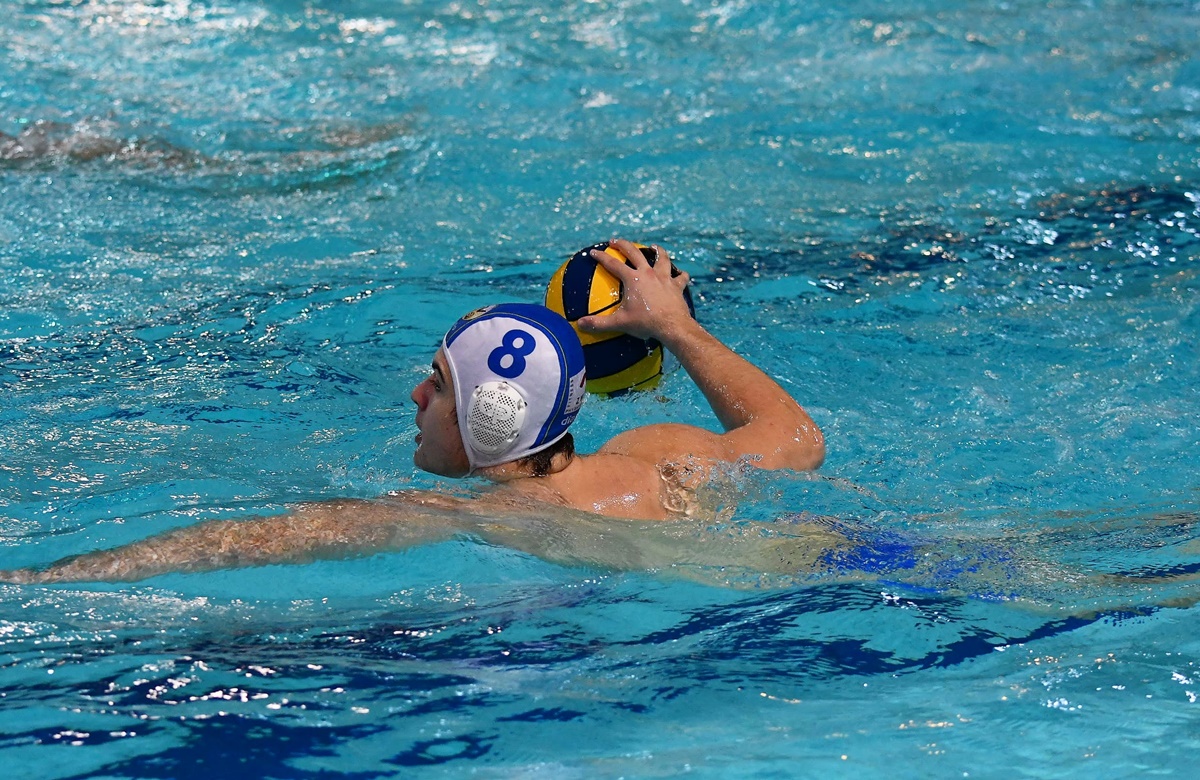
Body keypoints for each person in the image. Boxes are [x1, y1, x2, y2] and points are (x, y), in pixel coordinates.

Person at [0, 240, 826, 584]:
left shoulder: (498, 516)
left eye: (438, 383)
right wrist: (675, 329)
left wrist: (43, 578)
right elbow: (795, 439)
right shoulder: (665, 452)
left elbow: (266, 538)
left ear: (493, 414)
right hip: (850, 552)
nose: (416, 397)